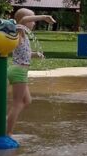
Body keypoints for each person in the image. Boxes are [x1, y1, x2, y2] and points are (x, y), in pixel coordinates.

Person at [6, 8, 56, 136]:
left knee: (27, 101)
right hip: (18, 71)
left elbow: (24, 54)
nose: (34, 23)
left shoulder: (24, 36)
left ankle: (7, 122)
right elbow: (23, 20)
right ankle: (8, 133)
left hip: (19, 71)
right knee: (17, 103)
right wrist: (44, 16)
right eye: (32, 20)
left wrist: (35, 54)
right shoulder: (19, 31)